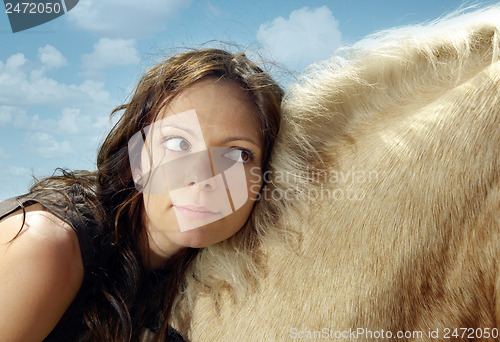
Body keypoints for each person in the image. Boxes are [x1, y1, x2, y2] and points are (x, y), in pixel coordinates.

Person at [0, 48, 283, 341]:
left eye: (237, 154)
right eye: (178, 143)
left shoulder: (207, 283)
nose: (202, 177)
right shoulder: (45, 243)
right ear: (137, 159)